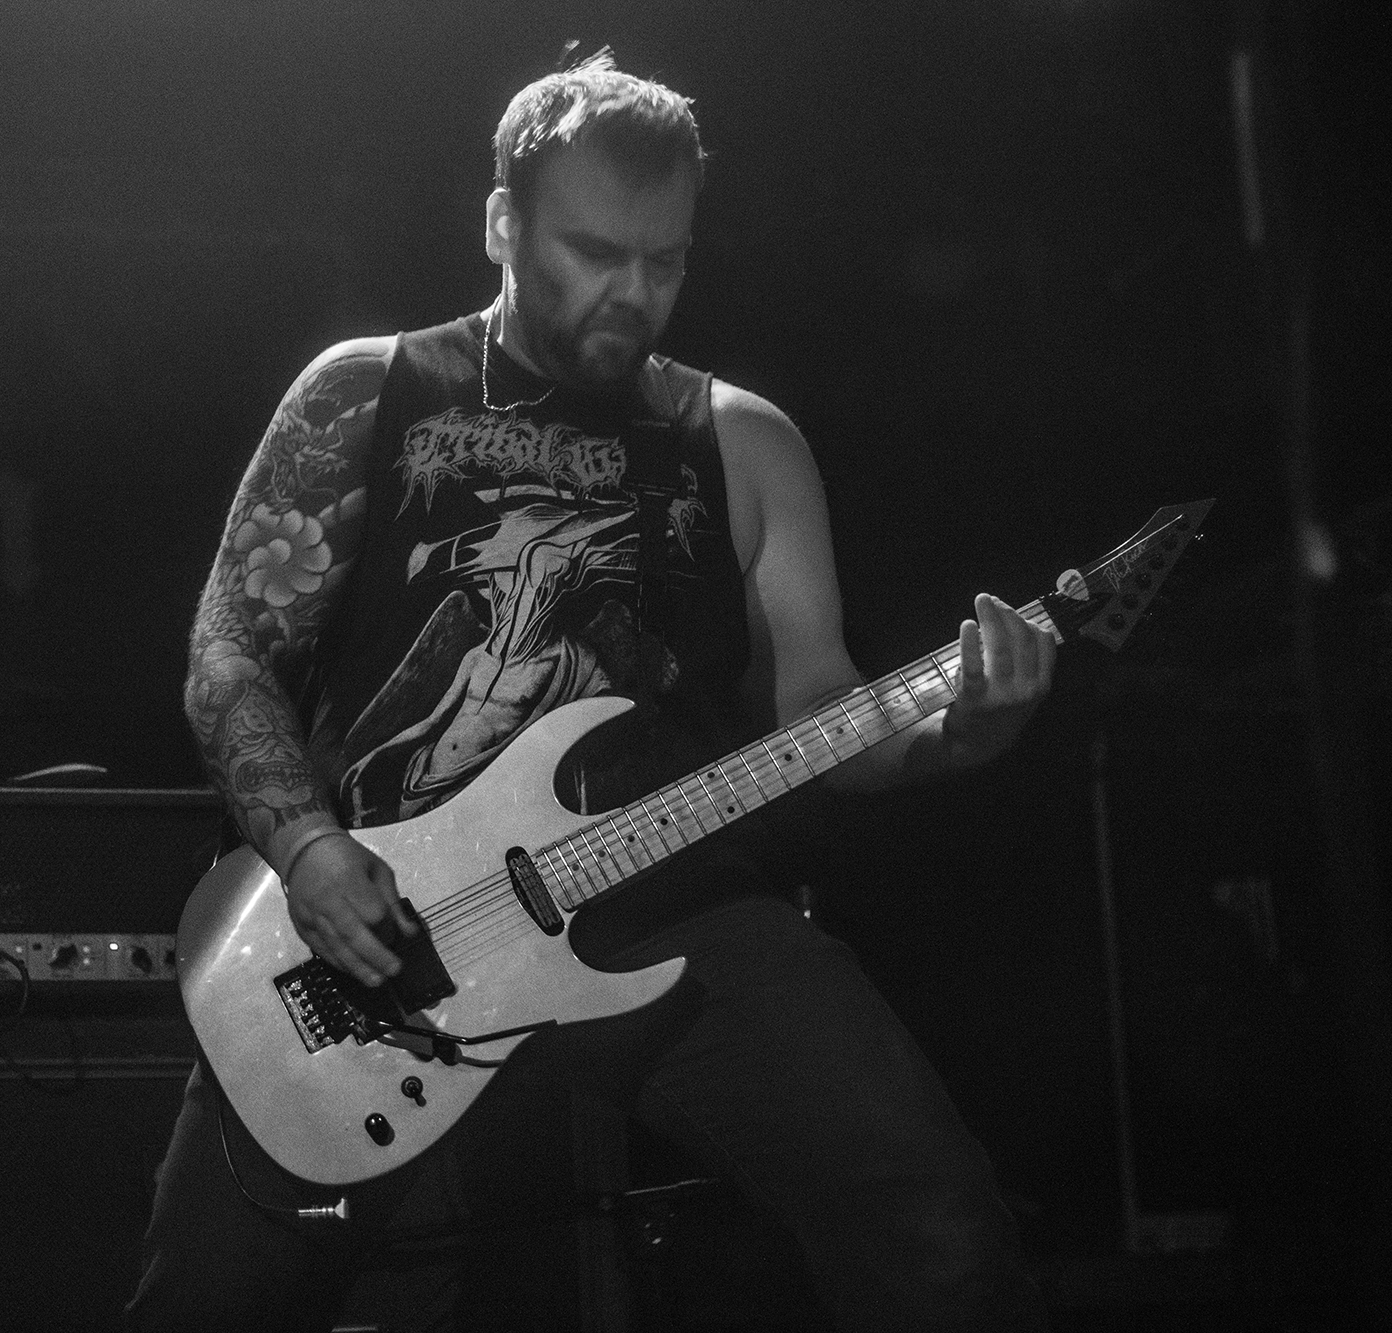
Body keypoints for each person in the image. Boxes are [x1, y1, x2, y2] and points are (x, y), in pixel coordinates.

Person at [130, 50, 1054, 1332]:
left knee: (935, 1218)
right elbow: (229, 652)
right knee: (210, 1304)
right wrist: (307, 848)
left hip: (669, 905)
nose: (631, 291)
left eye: (664, 261)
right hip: (388, 920)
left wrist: (957, 736)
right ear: (500, 224)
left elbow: (819, 712)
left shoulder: (743, 441)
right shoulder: (366, 390)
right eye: (592, 252)